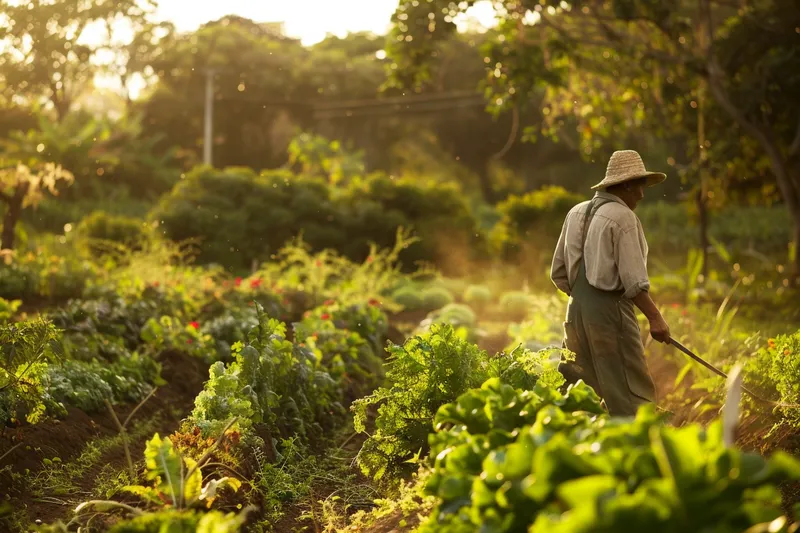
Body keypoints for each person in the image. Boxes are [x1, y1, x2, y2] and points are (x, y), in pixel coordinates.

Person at [550, 149, 671, 416]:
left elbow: (558, 273)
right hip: (610, 315)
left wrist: (584, 300)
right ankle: (639, 448)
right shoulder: (623, 217)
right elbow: (634, 282)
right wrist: (656, 319)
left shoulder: (575, 212)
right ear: (626, 184)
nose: (641, 194)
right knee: (630, 389)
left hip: (574, 313)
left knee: (580, 390)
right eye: (639, 185)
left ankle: (577, 446)